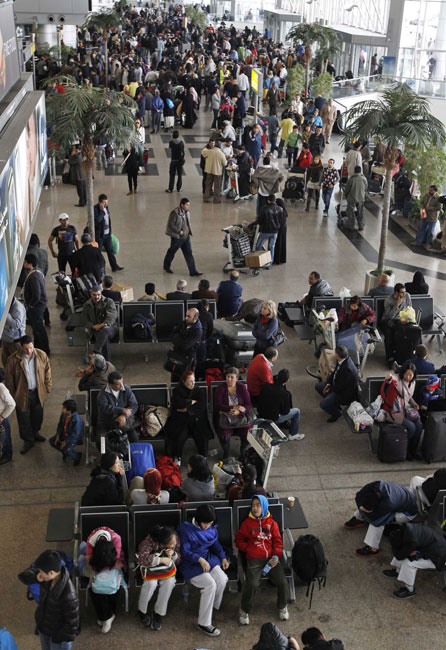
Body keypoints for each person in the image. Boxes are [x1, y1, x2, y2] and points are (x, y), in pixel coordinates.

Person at [236, 495, 289, 626]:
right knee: (252, 584)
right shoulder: (247, 523)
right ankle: (244, 610)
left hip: (271, 560)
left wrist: (276, 556)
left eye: (258, 505)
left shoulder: (272, 524)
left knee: (282, 581)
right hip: (254, 560)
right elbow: (238, 540)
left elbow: (278, 542)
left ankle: (282, 606)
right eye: (253, 505)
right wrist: (248, 549)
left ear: (264, 507)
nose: (255, 508)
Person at [178, 504, 229, 637]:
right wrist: (199, 559)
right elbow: (184, 551)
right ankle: (204, 623)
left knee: (223, 579)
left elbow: (215, 544)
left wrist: (223, 557)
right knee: (210, 584)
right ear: (198, 519)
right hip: (190, 563)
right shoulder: (184, 529)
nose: (207, 526)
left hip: (207, 559)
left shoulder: (211, 528)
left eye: (210, 524)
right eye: (205, 523)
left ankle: (210, 608)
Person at [344, 479, 418, 558]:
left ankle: (373, 549)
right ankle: (359, 519)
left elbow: (376, 520)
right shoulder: (374, 486)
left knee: (379, 523)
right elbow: (358, 496)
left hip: (406, 513)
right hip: (401, 500)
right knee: (365, 505)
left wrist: (365, 512)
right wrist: (361, 507)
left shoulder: (389, 503)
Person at [5, 335, 52, 455]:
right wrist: (14, 395)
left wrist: (47, 387)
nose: (29, 351)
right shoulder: (13, 360)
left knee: (37, 415)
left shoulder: (41, 355)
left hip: (37, 392)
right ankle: (28, 440)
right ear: (21, 347)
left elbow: (47, 371)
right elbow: (9, 380)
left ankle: (35, 433)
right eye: (26, 349)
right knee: (23, 418)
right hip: (22, 394)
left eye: (31, 347)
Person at [383, 522, 446, 599]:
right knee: (405, 552)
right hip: (434, 549)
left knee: (409, 562)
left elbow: (399, 556)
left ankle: (409, 590)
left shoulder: (410, 538)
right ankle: (398, 571)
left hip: (439, 559)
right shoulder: (407, 529)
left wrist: (397, 549)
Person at [82, 526, 126, 633]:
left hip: (114, 562)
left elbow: (116, 559)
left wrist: (106, 566)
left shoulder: (116, 539)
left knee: (111, 586)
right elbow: (91, 563)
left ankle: (107, 615)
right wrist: (97, 569)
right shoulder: (90, 541)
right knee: (94, 589)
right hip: (98, 565)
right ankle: (106, 616)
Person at [137, 525, 181, 630]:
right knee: (150, 584)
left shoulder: (174, 537)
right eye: (171, 544)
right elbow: (142, 560)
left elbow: (179, 560)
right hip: (151, 569)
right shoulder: (147, 543)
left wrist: (173, 554)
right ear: (162, 544)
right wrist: (160, 560)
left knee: (169, 583)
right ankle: (142, 611)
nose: (175, 544)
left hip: (166, 570)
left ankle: (158, 613)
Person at [34, 549, 79, 649]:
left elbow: (72, 625)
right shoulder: (48, 580)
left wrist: (57, 638)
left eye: (41, 572)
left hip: (57, 638)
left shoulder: (69, 595)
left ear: (51, 573)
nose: (39, 574)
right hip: (45, 629)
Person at [164, 371, 212, 462]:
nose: (193, 383)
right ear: (184, 381)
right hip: (182, 421)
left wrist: (187, 409)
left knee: (201, 435)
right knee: (179, 436)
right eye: (190, 381)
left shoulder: (199, 391)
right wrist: (191, 402)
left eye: (194, 380)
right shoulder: (177, 390)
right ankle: (177, 457)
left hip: (196, 420)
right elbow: (177, 404)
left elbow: (202, 406)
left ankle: (203, 457)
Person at [384, 362, 423, 460]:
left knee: (419, 425)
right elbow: (390, 381)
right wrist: (388, 378)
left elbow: (409, 397)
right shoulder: (398, 381)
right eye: (406, 374)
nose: (408, 377)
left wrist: (414, 403)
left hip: (407, 410)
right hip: (395, 412)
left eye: (410, 375)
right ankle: (404, 448)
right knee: (412, 427)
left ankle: (412, 450)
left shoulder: (413, 383)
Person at [215, 367, 253, 459]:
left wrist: (239, 411)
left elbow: (248, 405)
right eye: (228, 376)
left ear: (236, 378)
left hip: (240, 418)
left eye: (232, 377)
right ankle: (226, 452)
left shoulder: (242, 388)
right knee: (224, 435)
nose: (229, 379)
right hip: (226, 417)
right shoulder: (220, 388)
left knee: (248, 433)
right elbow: (218, 405)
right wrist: (234, 408)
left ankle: (243, 451)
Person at [315, 346, 358, 422]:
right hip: (336, 385)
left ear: (337, 355)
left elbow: (340, 387)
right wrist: (328, 383)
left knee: (323, 404)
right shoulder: (342, 360)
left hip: (344, 393)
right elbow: (335, 372)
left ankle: (337, 413)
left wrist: (329, 389)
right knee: (318, 387)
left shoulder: (347, 370)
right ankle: (333, 404)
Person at [258, 369, 304, 441]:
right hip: (273, 418)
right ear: (287, 380)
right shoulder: (285, 394)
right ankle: (293, 434)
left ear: (277, 377)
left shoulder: (266, 386)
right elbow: (285, 412)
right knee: (297, 411)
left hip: (261, 414)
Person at [163, 198, 202, 276]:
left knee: (189, 253)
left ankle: (193, 271)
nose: (188, 206)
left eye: (189, 204)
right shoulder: (174, 213)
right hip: (177, 238)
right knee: (172, 252)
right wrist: (179, 231)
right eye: (187, 205)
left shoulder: (187, 212)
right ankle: (166, 266)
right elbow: (170, 225)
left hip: (186, 237)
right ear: (182, 205)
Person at [96, 371, 139, 441]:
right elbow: (104, 408)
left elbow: (134, 405)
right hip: (106, 424)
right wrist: (122, 410)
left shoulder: (126, 389)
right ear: (110, 385)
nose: (122, 386)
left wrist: (124, 415)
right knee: (102, 444)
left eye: (122, 382)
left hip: (123, 423)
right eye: (118, 384)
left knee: (134, 438)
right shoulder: (102, 393)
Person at [22, 254, 50, 355]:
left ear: (30, 264)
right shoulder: (38, 272)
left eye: (25, 262)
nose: (23, 264)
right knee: (36, 328)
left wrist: (30, 305)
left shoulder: (33, 277)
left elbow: (36, 295)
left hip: (36, 308)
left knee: (39, 328)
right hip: (39, 306)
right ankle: (38, 347)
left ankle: (45, 349)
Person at [82, 286, 118, 360]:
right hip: (96, 330)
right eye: (94, 295)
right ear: (91, 294)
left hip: (110, 328)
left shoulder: (109, 302)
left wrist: (102, 325)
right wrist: (93, 326)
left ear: (101, 294)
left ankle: (96, 352)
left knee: (105, 330)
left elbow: (112, 316)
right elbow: (84, 320)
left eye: (98, 294)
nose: (96, 297)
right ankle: (105, 362)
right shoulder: (87, 305)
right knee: (104, 339)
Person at [381, 284, 412, 364]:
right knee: (388, 337)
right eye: (402, 292)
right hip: (388, 321)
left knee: (408, 333)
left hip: (402, 320)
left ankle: (402, 356)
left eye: (404, 292)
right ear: (396, 293)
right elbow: (389, 316)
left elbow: (410, 309)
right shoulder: (388, 300)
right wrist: (397, 305)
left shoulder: (407, 296)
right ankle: (389, 357)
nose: (404, 294)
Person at [93, 194, 123, 272]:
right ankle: (97, 267)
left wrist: (110, 232)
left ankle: (114, 266)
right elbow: (96, 221)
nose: (106, 204)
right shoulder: (95, 209)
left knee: (111, 251)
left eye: (106, 202)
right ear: (99, 202)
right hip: (100, 236)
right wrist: (102, 212)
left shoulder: (106, 207)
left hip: (107, 234)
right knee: (97, 252)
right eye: (104, 203)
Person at [49, 399, 83, 465]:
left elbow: (75, 435)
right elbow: (60, 425)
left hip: (73, 438)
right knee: (52, 441)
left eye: (64, 408)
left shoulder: (77, 420)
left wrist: (65, 442)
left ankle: (77, 456)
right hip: (64, 434)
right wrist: (58, 435)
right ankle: (65, 452)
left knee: (66, 450)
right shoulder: (64, 415)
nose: (62, 409)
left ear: (69, 410)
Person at [255, 196, 283, 266]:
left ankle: (259, 261)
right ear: (275, 200)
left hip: (265, 230)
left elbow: (260, 220)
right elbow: (281, 220)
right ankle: (269, 263)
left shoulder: (264, 208)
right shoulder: (280, 209)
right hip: (275, 231)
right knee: (271, 247)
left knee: (258, 245)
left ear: (268, 201)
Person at [1, 297, 26, 368]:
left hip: (15, 342)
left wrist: (6, 313)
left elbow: (16, 325)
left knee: (17, 366)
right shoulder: (7, 305)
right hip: (6, 340)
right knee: (6, 364)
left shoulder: (18, 308)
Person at [343, 166, 368, 231]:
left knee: (351, 212)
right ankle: (361, 225)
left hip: (352, 198)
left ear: (354, 171)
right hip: (361, 198)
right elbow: (366, 187)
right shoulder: (364, 179)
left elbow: (347, 189)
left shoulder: (351, 179)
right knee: (360, 212)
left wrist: (346, 194)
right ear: (360, 171)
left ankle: (351, 226)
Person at [0, 368, 16, 465]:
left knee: (5, 439)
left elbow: (12, 404)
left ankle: (7, 455)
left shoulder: (1, 387)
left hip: (2, 420)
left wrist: (2, 417)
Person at [274, 198, 288, 265]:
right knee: (282, 244)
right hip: (283, 229)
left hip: (279, 229)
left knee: (277, 244)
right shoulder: (284, 211)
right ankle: (282, 259)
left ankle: (277, 259)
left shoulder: (279, 211)